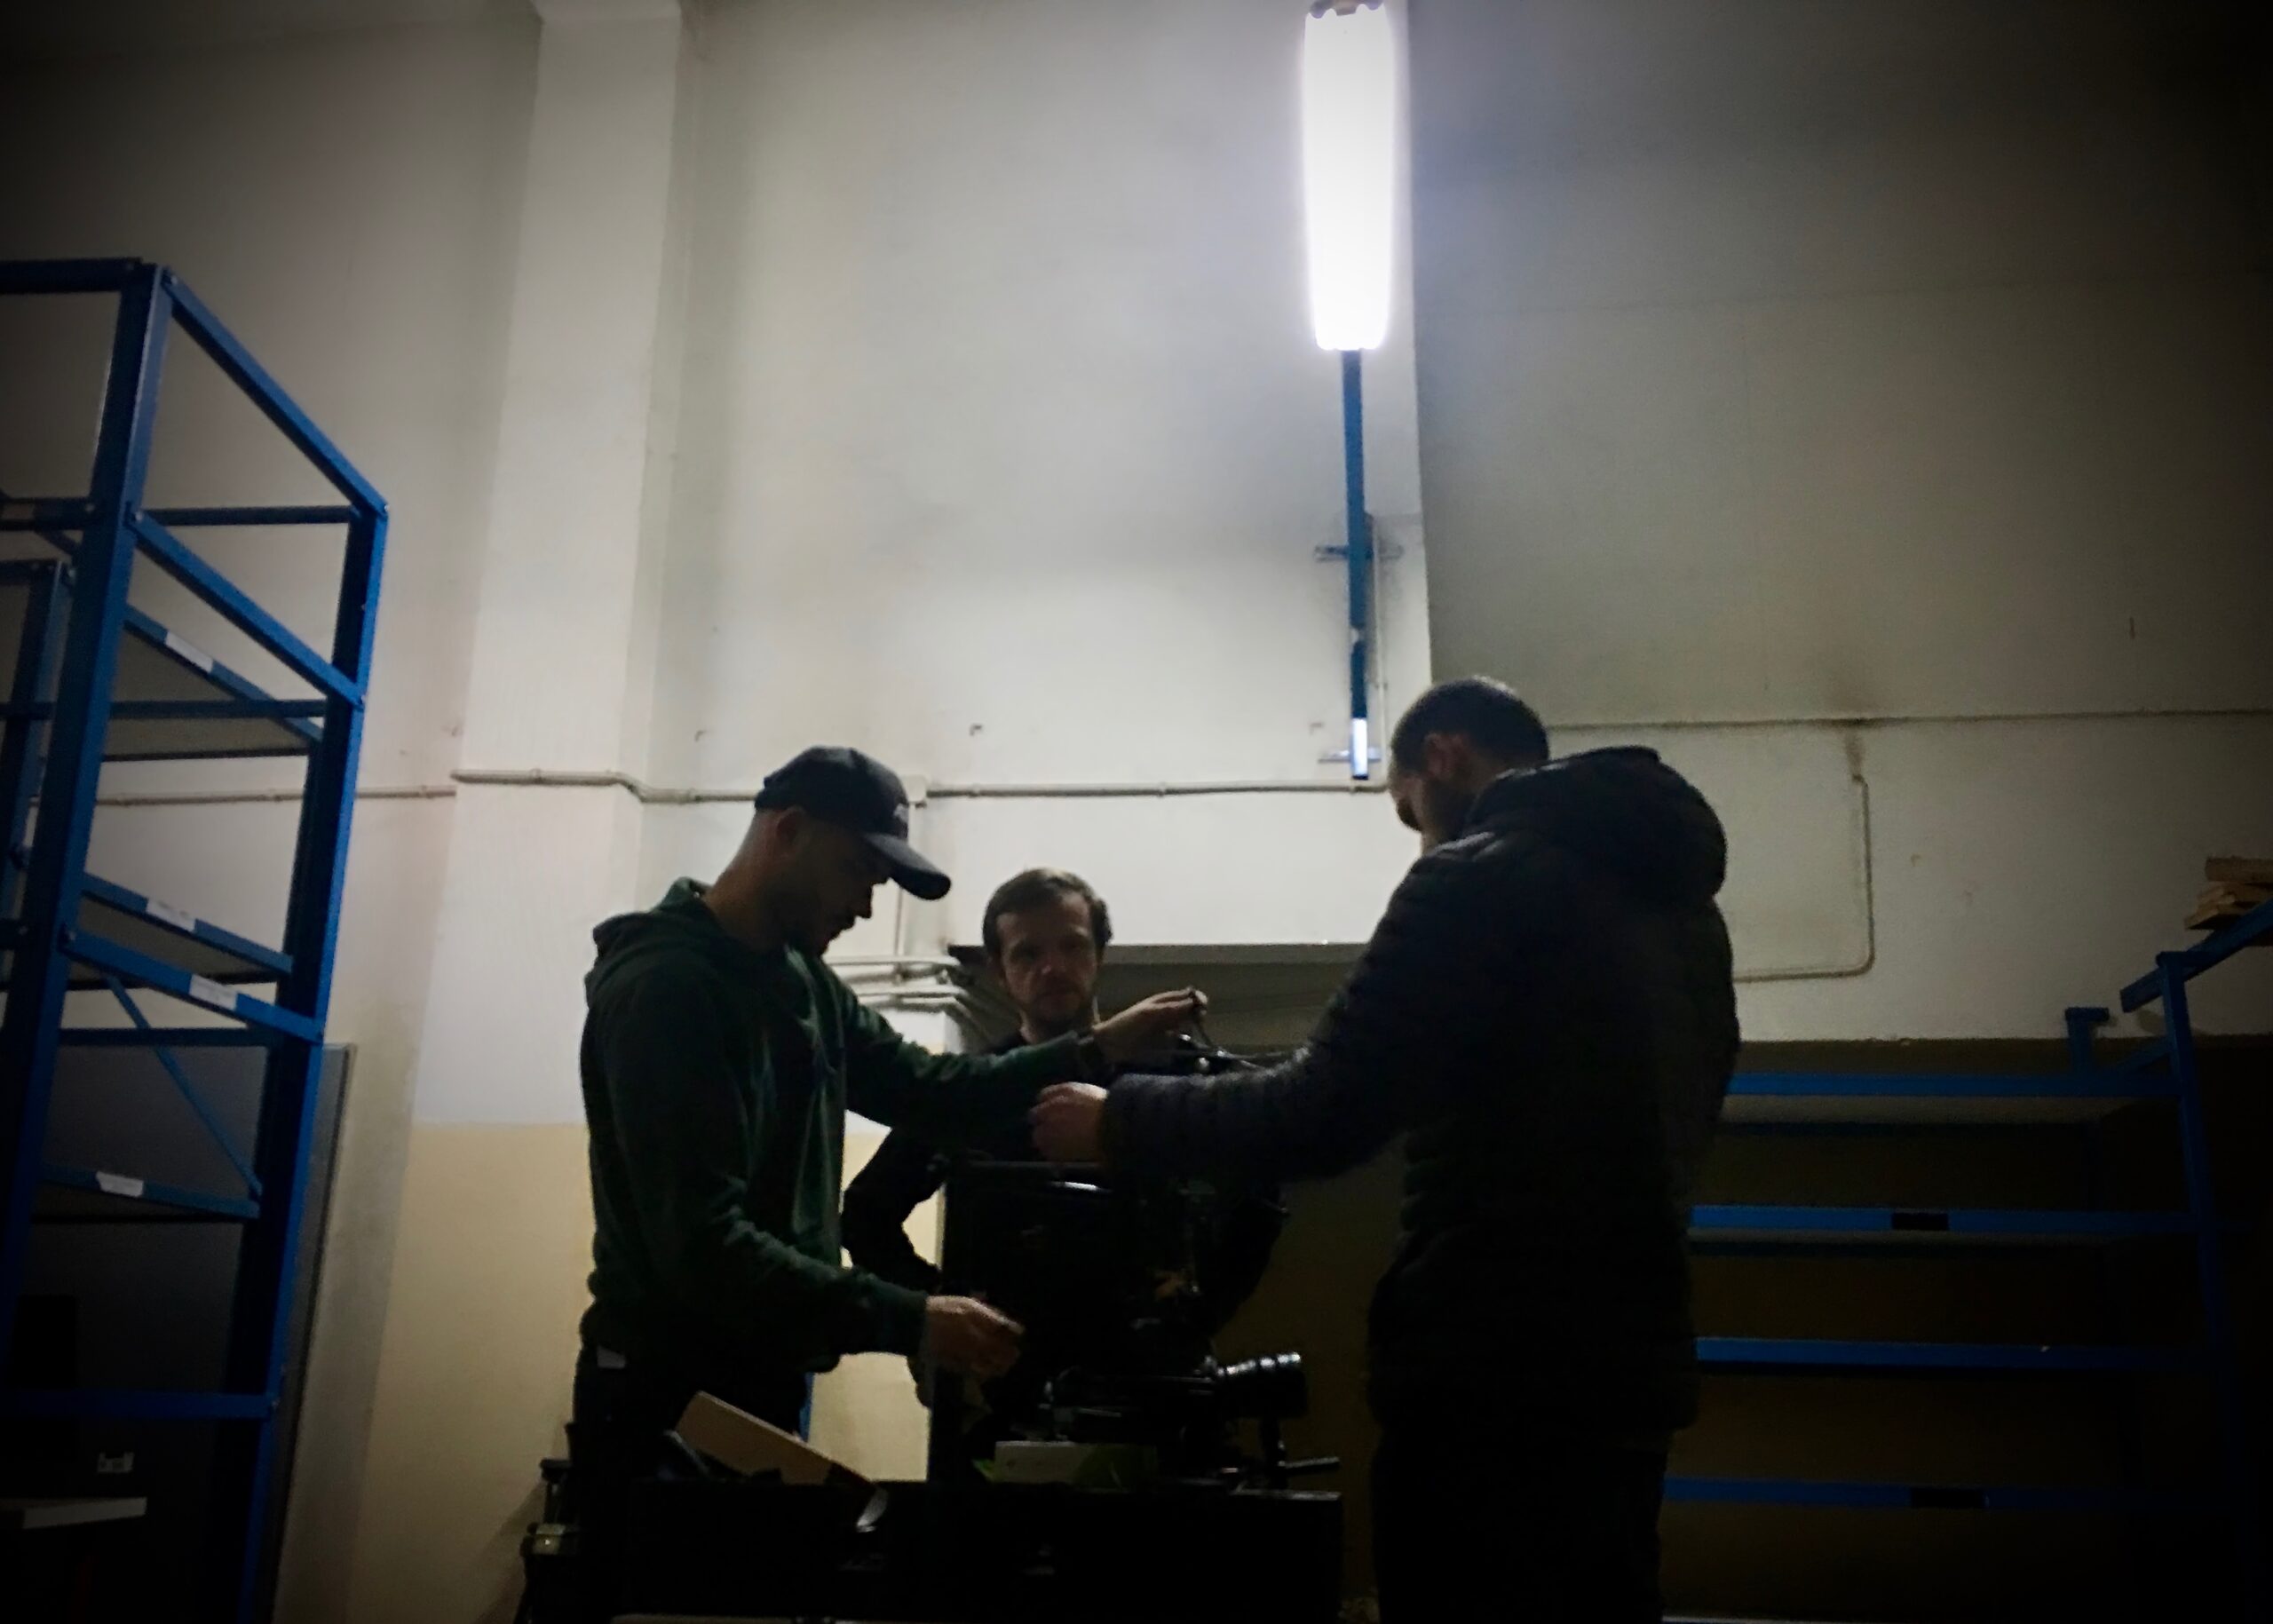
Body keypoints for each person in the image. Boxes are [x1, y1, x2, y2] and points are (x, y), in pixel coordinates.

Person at [1032, 679, 1738, 1623]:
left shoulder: (1477, 875)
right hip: (1631, 1369)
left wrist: (1121, 1119)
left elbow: (1324, 1109)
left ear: (1442, 757)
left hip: (1490, 1380)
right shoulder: (1683, 917)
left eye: (1409, 811)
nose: (1418, 839)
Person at [570, 747, 1199, 1622]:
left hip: (762, 1379)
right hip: (666, 1393)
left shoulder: (801, 981)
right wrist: (912, 1316)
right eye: (857, 871)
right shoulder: (668, 989)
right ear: (788, 832)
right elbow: (703, 1248)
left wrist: (1095, 1049)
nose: (867, 905)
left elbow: (932, 1090)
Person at [840, 867, 1283, 1473]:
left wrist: (1199, 1311)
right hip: (1005, 1389)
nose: (1053, 967)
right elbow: (866, 1215)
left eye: (1072, 946)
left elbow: (1258, 1193)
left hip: (1156, 1386)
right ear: (999, 971)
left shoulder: (1170, 1079)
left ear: (1100, 953)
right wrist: (937, 1309)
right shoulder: (971, 1094)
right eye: (1028, 953)